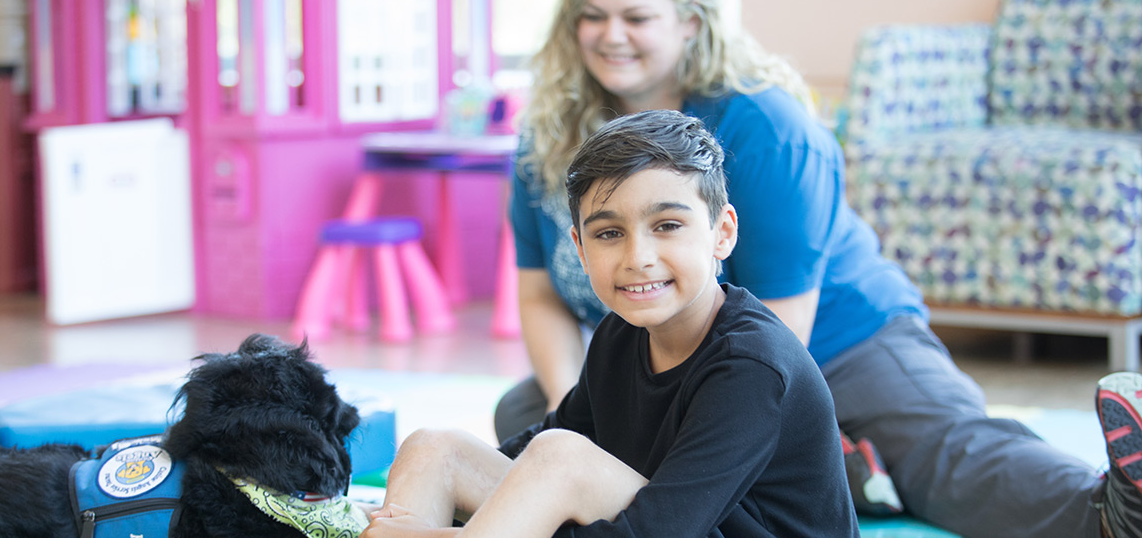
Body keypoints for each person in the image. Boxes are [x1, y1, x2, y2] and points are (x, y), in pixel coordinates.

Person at [496, 0, 1142, 536]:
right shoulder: (549, 138)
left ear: (691, 23)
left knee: (942, 456)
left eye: (636, 17)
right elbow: (540, 294)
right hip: (669, 356)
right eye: (593, 15)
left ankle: (1110, 512)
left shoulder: (768, 127)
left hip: (840, 341)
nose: (612, 34)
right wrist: (583, 420)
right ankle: (844, 468)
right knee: (526, 416)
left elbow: (778, 338)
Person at [361, 109, 859, 538]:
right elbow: (534, 452)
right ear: (579, 248)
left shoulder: (751, 365)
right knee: (435, 446)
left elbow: (661, 530)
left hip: (671, 530)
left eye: (667, 225)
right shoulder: (622, 334)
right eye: (609, 233)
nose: (638, 257)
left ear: (721, 233)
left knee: (562, 459)